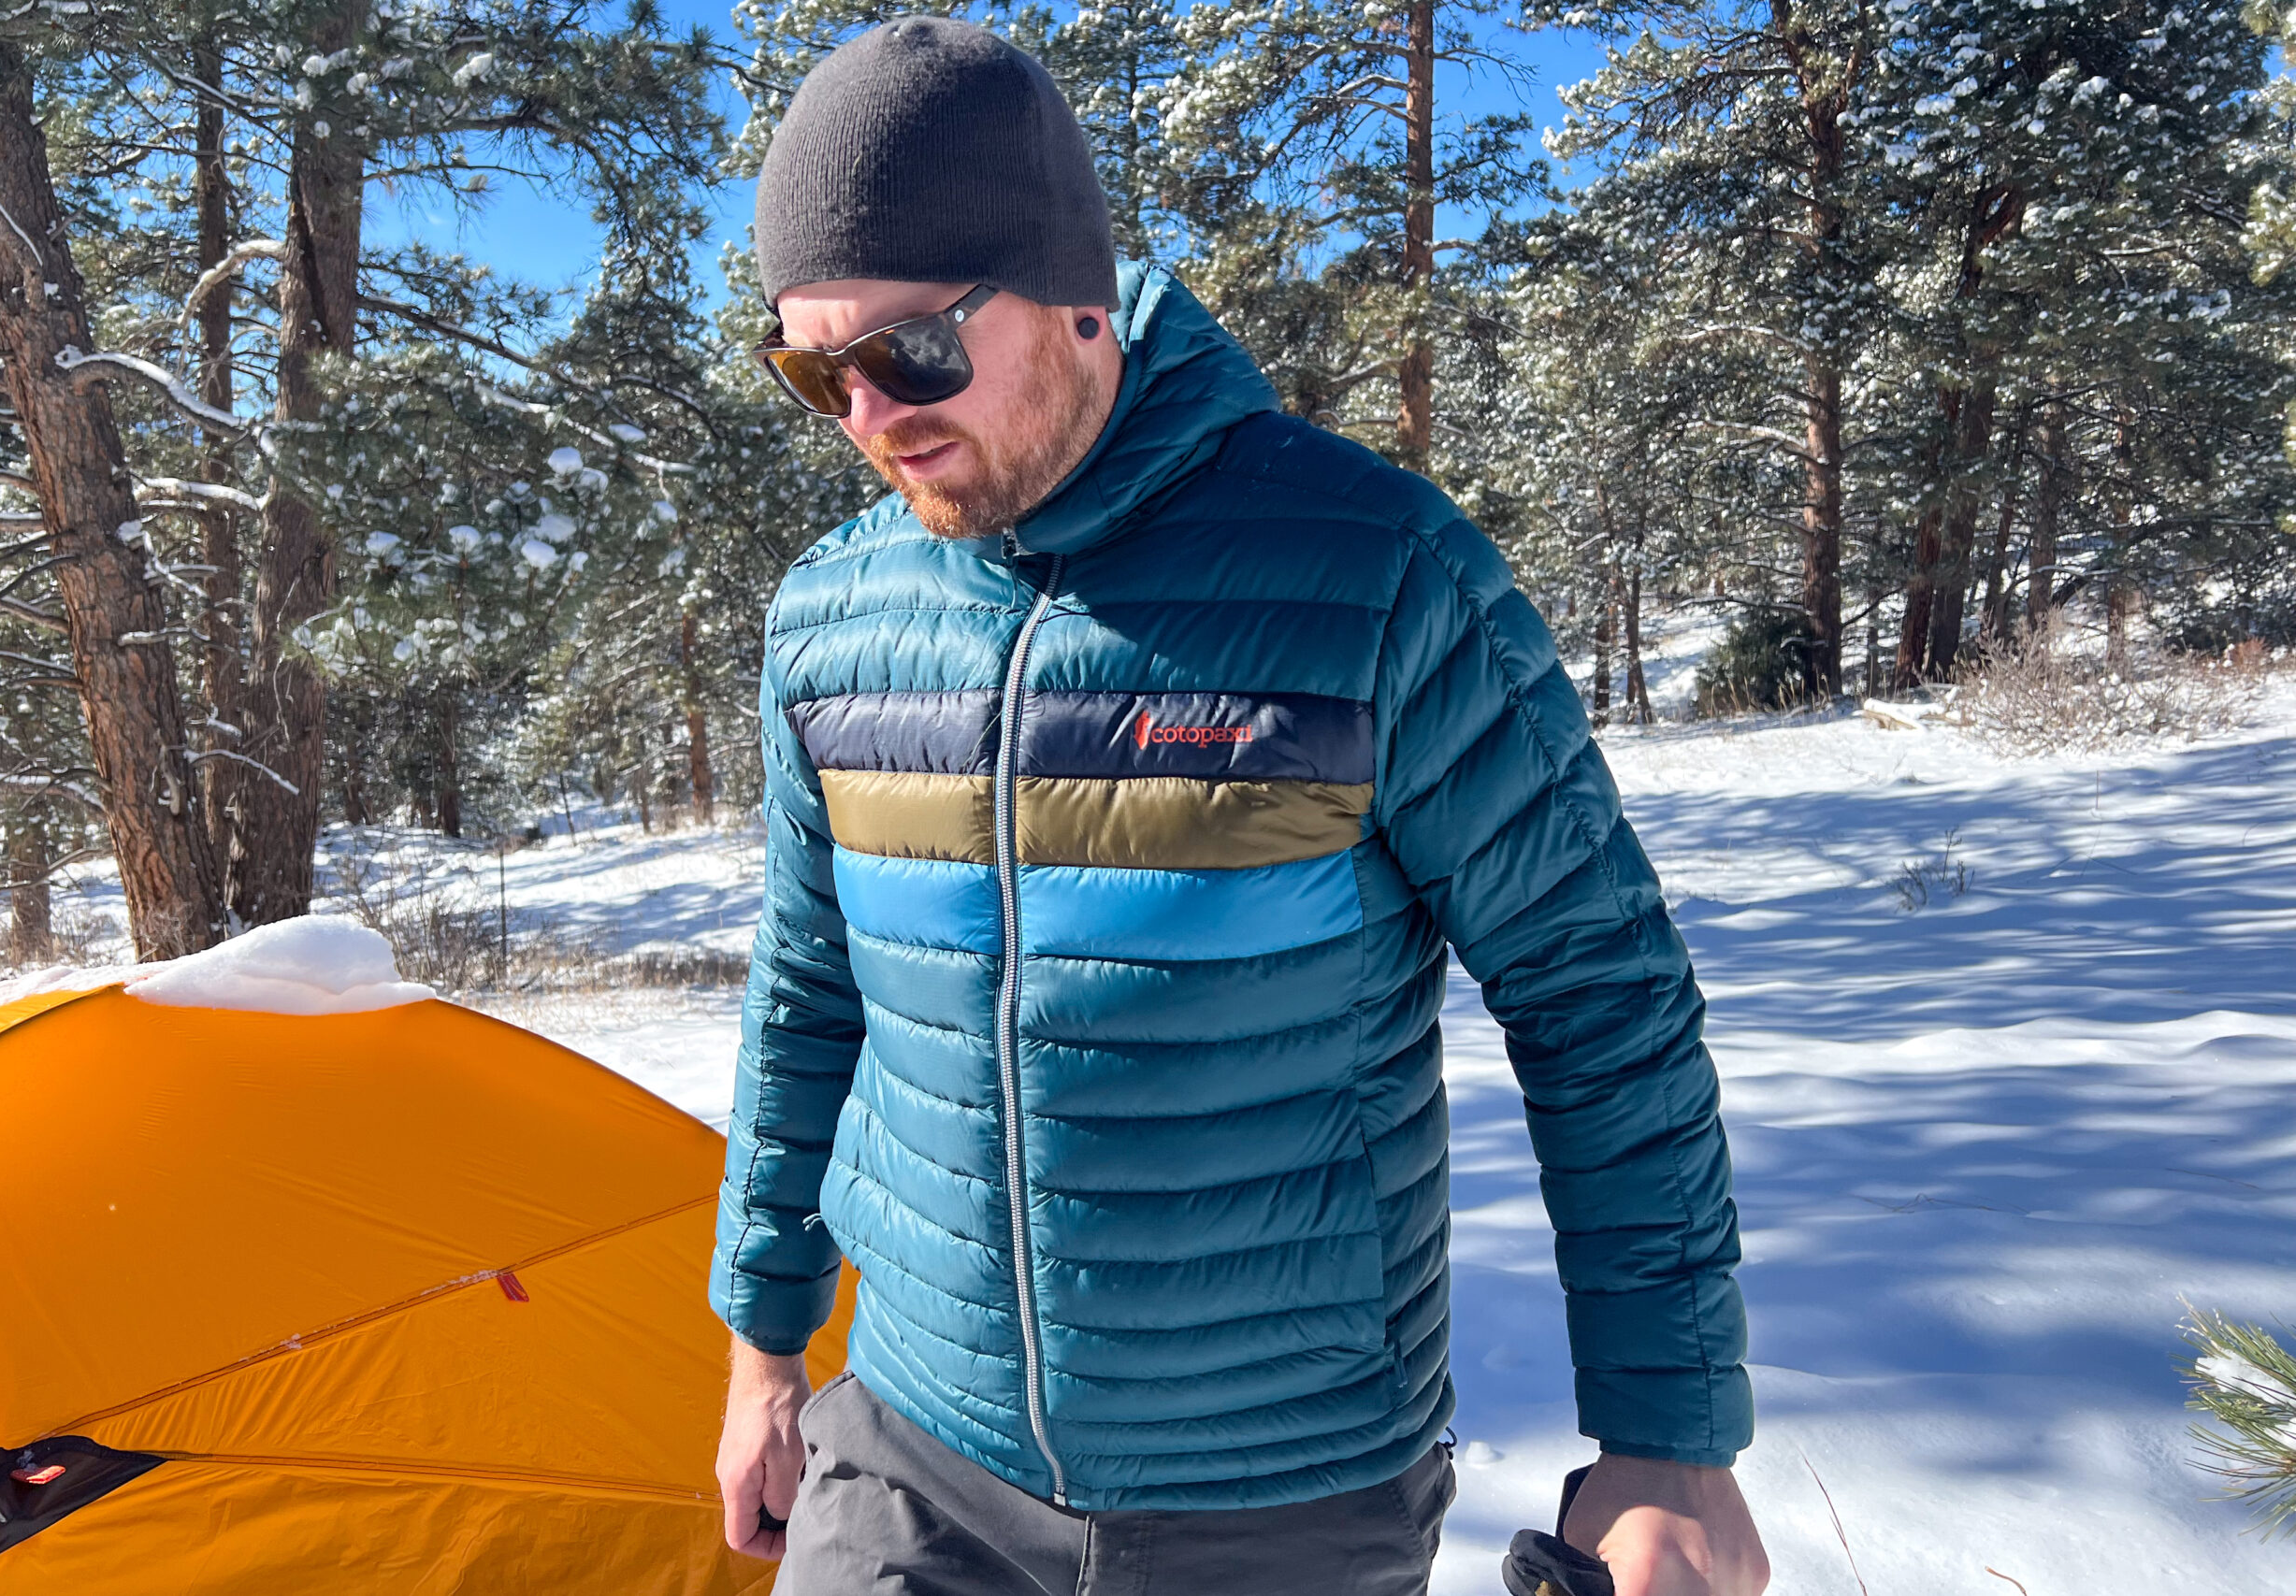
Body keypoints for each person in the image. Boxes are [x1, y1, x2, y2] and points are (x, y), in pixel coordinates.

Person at [709, 18, 1769, 1595]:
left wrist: (1669, 1437)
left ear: (1074, 293)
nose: (870, 415)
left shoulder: (1377, 575)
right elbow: (809, 998)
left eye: (910, 350)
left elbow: (1596, 997)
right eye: (816, 369)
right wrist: (762, 1338)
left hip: (1279, 1494)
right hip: (916, 1456)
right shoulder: (833, 619)